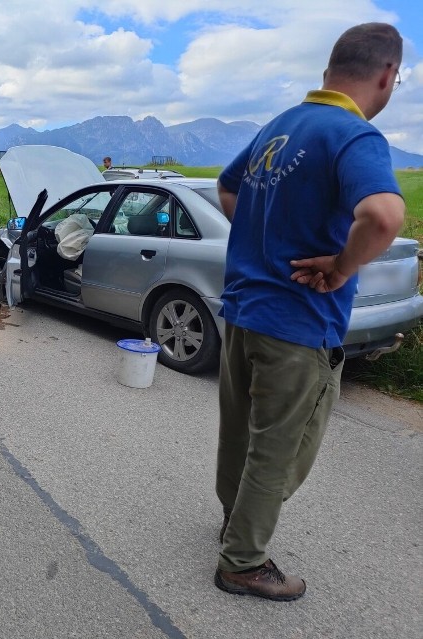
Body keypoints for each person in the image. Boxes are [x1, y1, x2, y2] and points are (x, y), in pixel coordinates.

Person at [214, 23, 405, 601]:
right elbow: (384, 217)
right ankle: (242, 561)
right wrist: (343, 268)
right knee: (281, 445)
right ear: (387, 76)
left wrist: (262, 240)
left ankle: (233, 524)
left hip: (244, 312)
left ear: (328, 71)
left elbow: (227, 188)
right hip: (297, 323)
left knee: (238, 434)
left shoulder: (280, 126)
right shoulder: (354, 135)